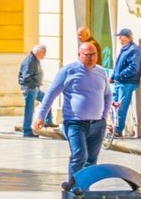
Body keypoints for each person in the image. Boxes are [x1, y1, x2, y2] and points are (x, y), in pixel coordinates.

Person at [38, 39, 112, 175]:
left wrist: (104, 115)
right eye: (87, 55)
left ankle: (85, 189)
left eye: (94, 54)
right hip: (75, 123)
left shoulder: (101, 72)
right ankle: (73, 189)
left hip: (97, 124)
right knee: (79, 156)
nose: (91, 58)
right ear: (79, 55)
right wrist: (41, 117)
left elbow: (108, 94)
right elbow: (51, 93)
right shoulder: (69, 70)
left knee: (91, 160)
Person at [110, 29, 141, 139]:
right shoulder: (124, 49)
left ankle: (118, 130)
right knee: (114, 105)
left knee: (121, 107)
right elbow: (118, 65)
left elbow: (133, 67)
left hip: (127, 82)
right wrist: (113, 76)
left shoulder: (133, 50)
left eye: (121, 36)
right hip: (119, 82)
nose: (119, 38)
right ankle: (114, 127)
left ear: (127, 37)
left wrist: (120, 76)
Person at [17, 44, 47, 136]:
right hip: (30, 88)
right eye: (44, 53)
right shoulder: (30, 61)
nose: (44, 56)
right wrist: (34, 86)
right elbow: (26, 77)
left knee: (46, 99)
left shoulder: (34, 59)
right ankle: (26, 131)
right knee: (29, 110)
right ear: (39, 52)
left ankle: (48, 120)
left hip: (34, 88)